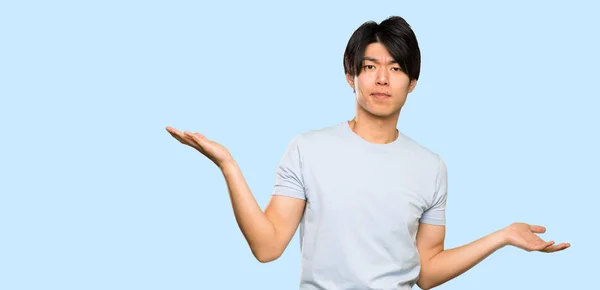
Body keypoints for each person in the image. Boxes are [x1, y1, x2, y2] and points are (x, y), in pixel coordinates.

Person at [166, 16, 569, 290]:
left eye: (395, 68)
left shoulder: (431, 167)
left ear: (412, 82)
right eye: (370, 66)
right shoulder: (308, 149)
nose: (381, 78)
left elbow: (426, 271)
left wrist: (501, 236)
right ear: (350, 76)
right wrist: (228, 166)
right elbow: (268, 247)